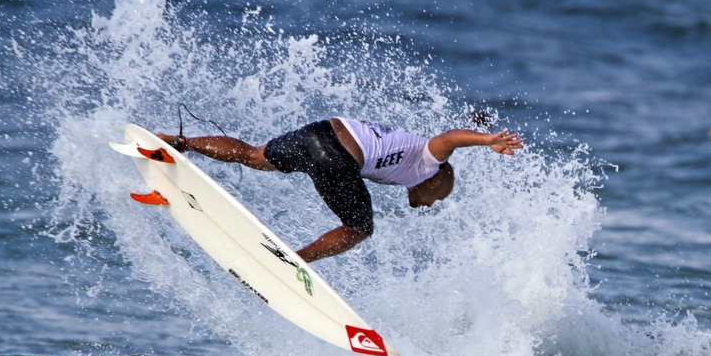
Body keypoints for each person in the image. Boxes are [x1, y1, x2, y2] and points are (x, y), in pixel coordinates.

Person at [157, 118, 522, 262]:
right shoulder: (428, 162)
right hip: (340, 154)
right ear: (438, 179)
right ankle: (290, 262)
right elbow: (448, 138)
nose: (429, 205)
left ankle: (178, 142)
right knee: (359, 229)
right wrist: (486, 140)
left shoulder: (407, 165)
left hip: (322, 130)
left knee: (255, 155)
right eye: (438, 197)